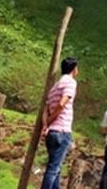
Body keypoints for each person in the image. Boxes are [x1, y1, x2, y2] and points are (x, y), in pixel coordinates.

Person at [41, 57, 79, 189]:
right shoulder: (70, 83)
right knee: (53, 169)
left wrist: (46, 124)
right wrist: (51, 119)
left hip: (51, 132)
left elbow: (45, 109)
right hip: (62, 130)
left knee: (56, 167)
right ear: (74, 69)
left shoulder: (54, 86)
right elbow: (62, 103)